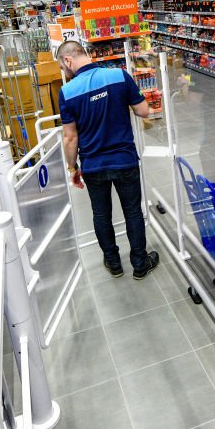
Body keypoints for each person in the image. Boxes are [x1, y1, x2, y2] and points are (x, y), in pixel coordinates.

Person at [57, 41, 159, 279]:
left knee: (101, 215)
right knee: (132, 211)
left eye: (62, 66)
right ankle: (139, 263)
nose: (64, 71)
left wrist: (73, 168)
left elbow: (70, 138)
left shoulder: (68, 92)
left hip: (94, 166)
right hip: (124, 160)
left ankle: (113, 263)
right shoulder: (119, 76)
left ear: (68, 60)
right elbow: (144, 111)